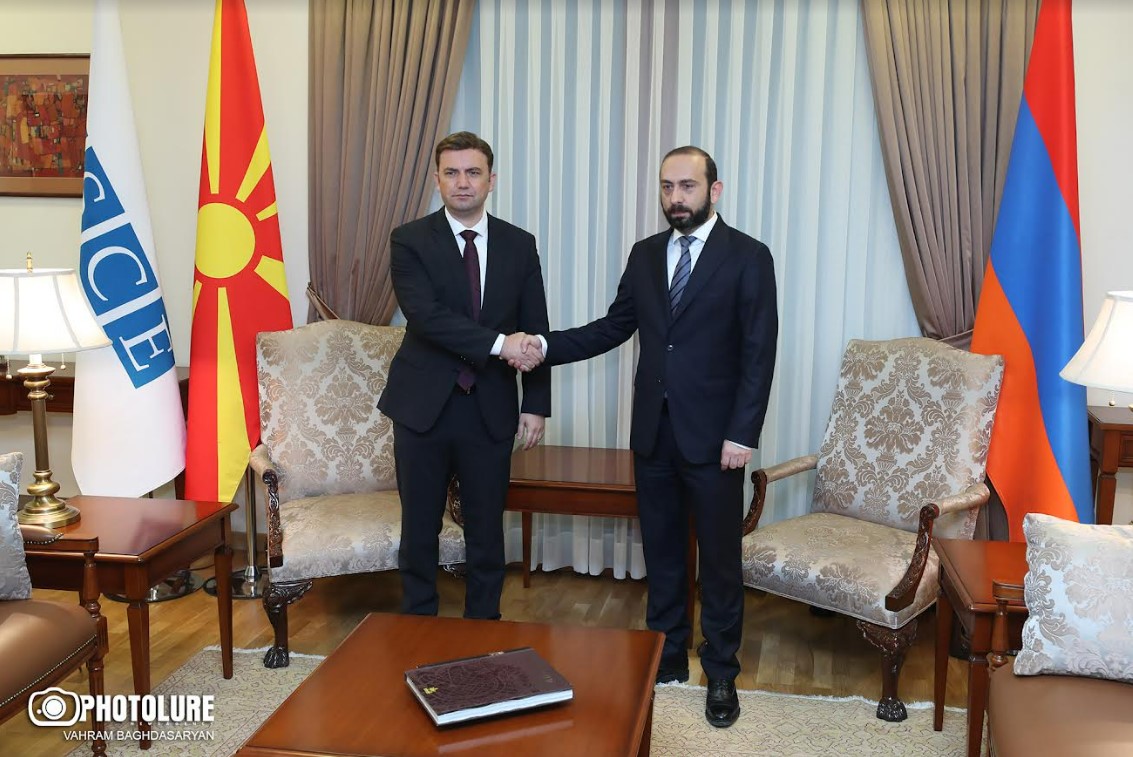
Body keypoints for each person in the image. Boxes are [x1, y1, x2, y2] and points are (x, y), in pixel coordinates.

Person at [519, 146, 777, 728]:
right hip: (653, 436)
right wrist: (544, 346)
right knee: (661, 552)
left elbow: (759, 353)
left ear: (714, 190)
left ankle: (722, 671)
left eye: (687, 186)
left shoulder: (748, 257)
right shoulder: (645, 255)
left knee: (720, 561)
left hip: (717, 442)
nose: (675, 198)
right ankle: (667, 654)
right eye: (666, 187)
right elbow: (613, 328)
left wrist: (742, 433)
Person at [378, 131, 550, 621]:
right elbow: (427, 317)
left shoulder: (519, 244)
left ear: (491, 180)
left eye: (473, 172)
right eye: (451, 173)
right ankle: (419, 625)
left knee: (486, 530)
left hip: (490, 406)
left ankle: (484, 628)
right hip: (422, 407)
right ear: (437, 180)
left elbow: (535, 327)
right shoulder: (409, 239)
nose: (462, 182)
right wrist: (500, 344)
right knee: (419, 529)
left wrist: (535, 403)